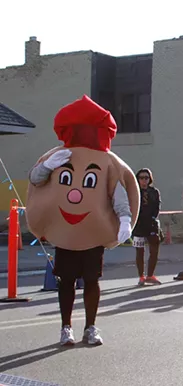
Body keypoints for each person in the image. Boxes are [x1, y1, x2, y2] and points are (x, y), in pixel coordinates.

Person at [26, 95, 140, 346]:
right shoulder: (58, 155)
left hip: (92, 234)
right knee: (65, 282)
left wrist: (124, 219)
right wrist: (47, 167)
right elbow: (35, 179)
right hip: (65, 234)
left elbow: (118, 192)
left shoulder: (106, 161)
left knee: (92, 281)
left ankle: (91, 326)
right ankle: (66, 327)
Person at [133, 168, 162, 286]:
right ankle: (141, 276)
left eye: (146, 178)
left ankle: (150, 275)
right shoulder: (134, 191)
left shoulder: (154, 192)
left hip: (151, 224)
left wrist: (153, 218)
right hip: (138, 225)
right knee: (139, 251)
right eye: (141, 178)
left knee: (154, 250)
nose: (144, 180)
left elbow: (157, 207)